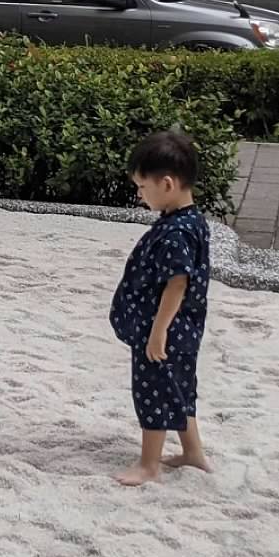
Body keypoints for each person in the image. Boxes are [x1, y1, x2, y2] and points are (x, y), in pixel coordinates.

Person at [108, 128, 212, 486]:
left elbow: (177, 282)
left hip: (166, 331)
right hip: (186, 329)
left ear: (167, 184)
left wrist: (158, 330)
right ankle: (193, 452)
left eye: (142, 187)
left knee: (153, 390)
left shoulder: (175, 233)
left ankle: (148, 464)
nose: (139, 195)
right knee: (179, 387)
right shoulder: (191, 221)